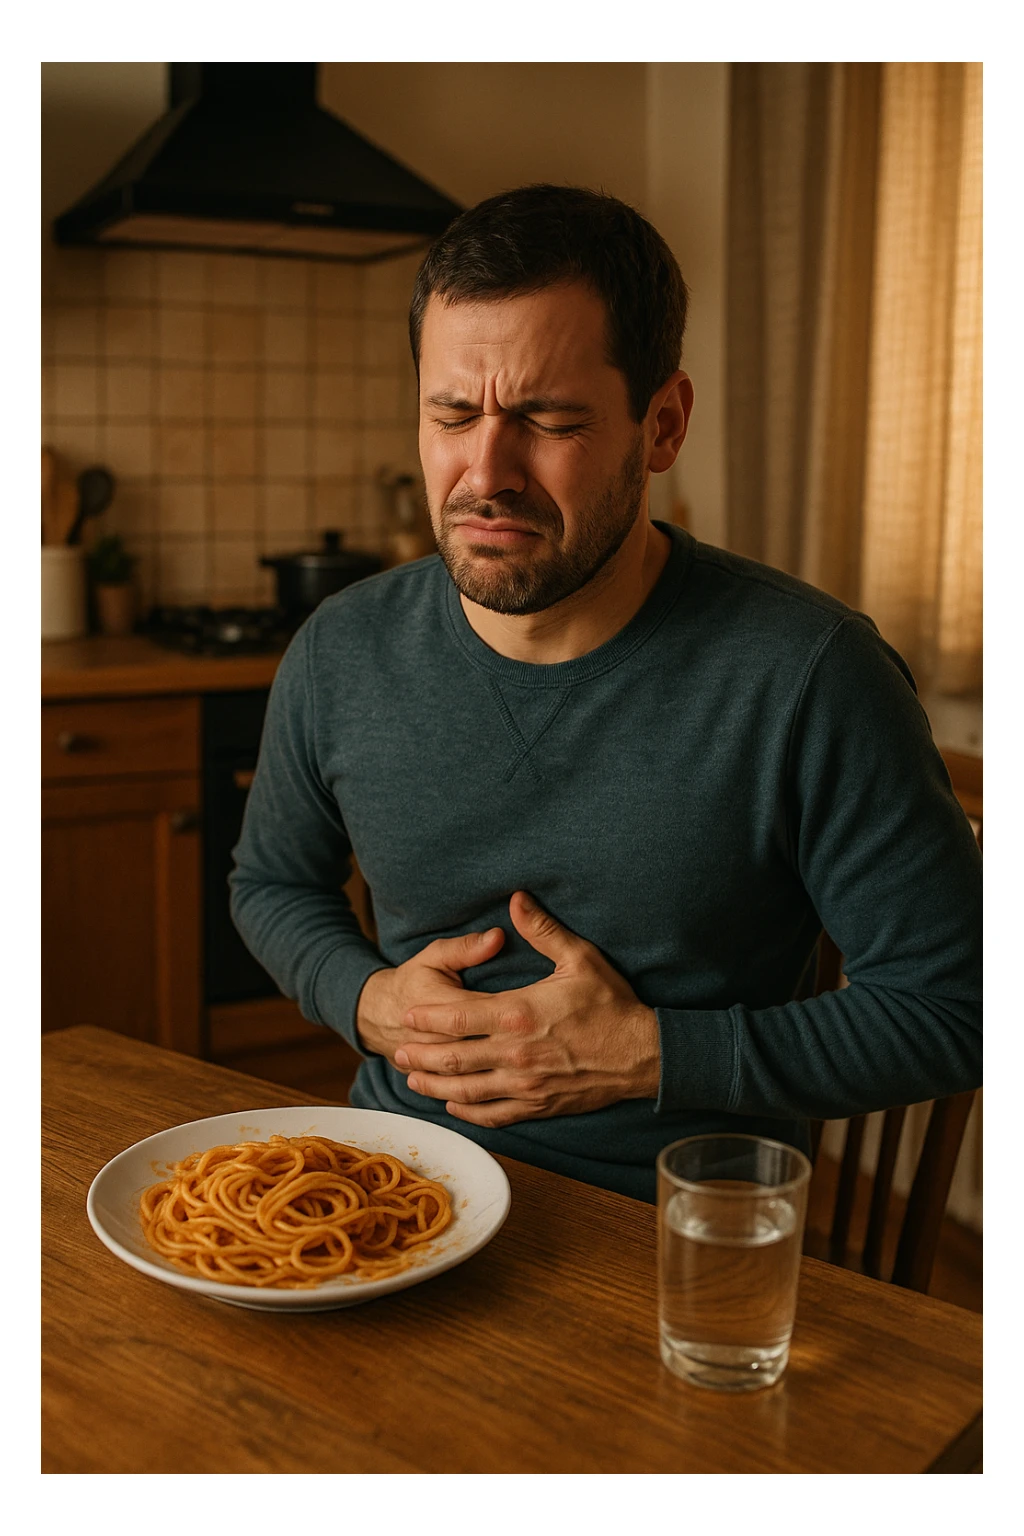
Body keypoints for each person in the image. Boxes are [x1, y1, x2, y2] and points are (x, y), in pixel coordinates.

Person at [230, 184, 982, 1202]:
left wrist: (647, 1055)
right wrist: (367, 1002)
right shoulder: (340, 650)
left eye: (545, 419)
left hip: (674, 1233)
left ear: (662, 425)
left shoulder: (811, 676)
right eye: (452, 413)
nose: (483, 472)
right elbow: (270, 885)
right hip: (392, 1188)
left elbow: (955, 1009)